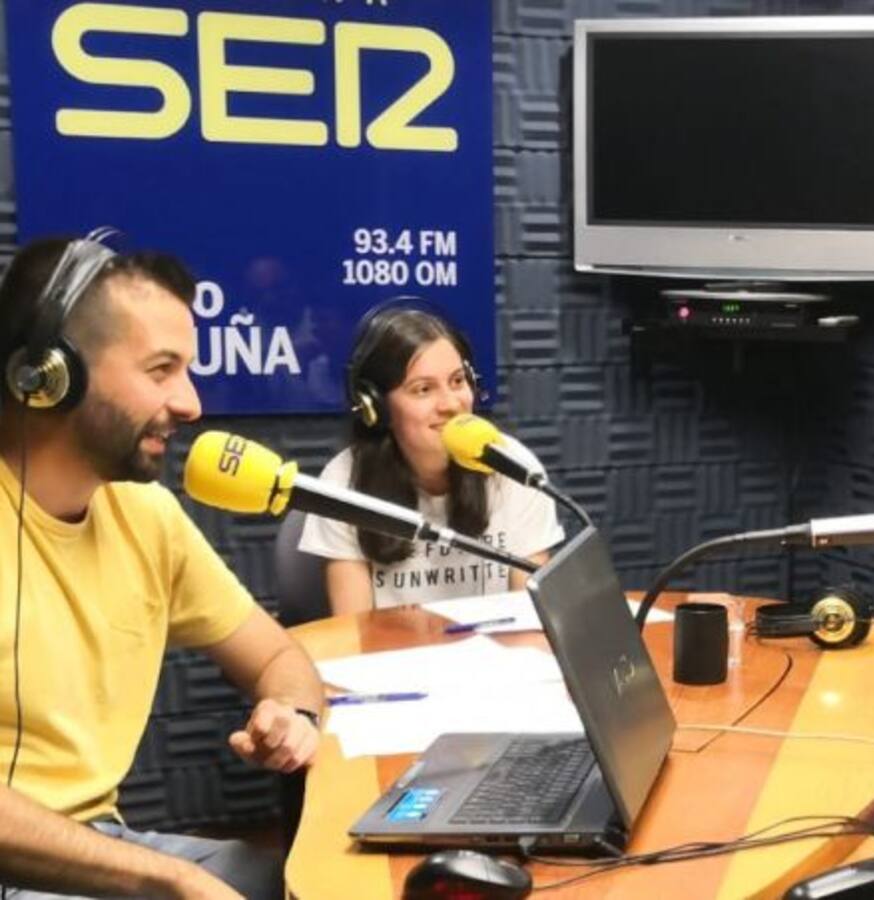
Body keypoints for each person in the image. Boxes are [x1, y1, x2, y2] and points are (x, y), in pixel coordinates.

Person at [0, 234, 325, 899]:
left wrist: (292, 713)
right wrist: (167, 878)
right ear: (49, 373)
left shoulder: (145, 515)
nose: (191, 403)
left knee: (302, 884)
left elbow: (278, 655)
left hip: (95, 845)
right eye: (161, 370)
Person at [299, 304, 563, 613]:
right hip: (390, 646)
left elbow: (531, 619)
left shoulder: (514, 468)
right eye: (423, 389)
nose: (451, 404)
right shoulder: (344, 484)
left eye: (457, 381)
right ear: (377, 408)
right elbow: (354, 629)